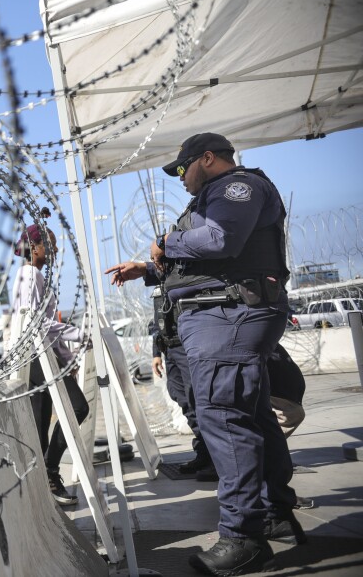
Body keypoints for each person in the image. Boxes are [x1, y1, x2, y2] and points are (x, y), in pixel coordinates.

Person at [105, 133, 305, 575]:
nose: (180, 179)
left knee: (225, 419)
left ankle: (242, 537)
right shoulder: (211, 196)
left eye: (182, 169)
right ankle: (274, 514)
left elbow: (220, 241)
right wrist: (150, 267)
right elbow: (208, 259)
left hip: (230, 316)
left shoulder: (237, 187)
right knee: (249, 414)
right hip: (221, 314)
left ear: (208, 159)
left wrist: (165, 243)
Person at [11, 223, 89, 506]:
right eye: (50, 244)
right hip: (34, 356)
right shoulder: (29, 276)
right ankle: (50, 472)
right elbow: (36, 324)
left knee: (43, 422)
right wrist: (78, 334)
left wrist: (67, 361)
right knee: (76, 408)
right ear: (34, 247)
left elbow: (47, 329)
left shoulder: (35, 276)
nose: (55, 249)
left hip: (43, 354)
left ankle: (47, 477)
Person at [150, 304, 217, 482]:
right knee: (182, 398)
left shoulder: (179, 277)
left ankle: (217, 460)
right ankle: (204, 454)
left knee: (199, 400)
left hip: (188, 344)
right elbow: (158, 318)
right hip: (169, 348)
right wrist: (156, 352)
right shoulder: (162, 282)